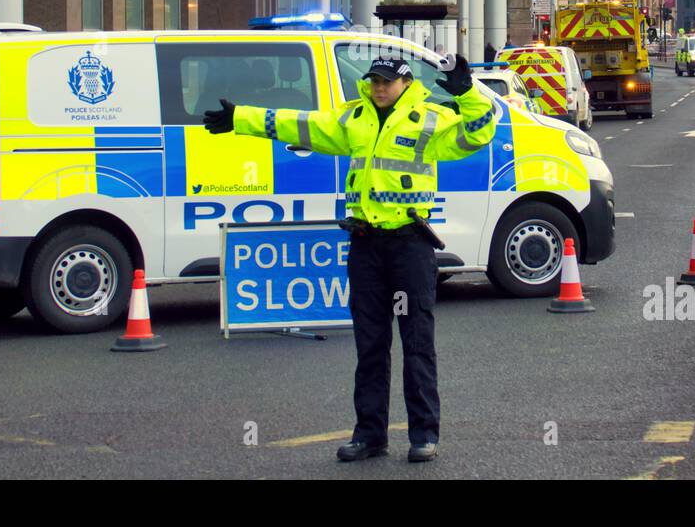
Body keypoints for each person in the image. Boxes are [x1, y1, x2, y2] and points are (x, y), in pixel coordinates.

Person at [202, 55, 495, 463]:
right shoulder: (354, 119)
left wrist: (467, 93)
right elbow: (301, 124)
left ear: (406, 84)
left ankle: (424, 435)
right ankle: (370, 436)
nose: (379, 87)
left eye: (387, 81)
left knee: (417, 345)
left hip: (410, 245)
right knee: (370, 345)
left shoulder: (427, 119)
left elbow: (478, 135)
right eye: (374, 79)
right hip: (366, 245)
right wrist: (242, 119)